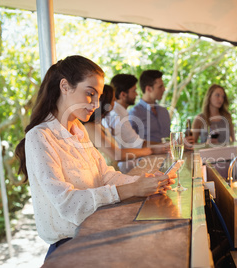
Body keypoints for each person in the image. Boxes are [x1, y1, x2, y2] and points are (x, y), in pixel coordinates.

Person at [14, 55, 175, 260]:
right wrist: (132, 188)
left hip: (96, 233)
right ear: (65, 86)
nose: (96, 104)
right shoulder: (39, 136)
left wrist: (144, 181)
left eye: (98, 96)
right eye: (90, 94)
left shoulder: (78, 130)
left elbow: (105, 175)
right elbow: (67, 203)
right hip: (69, 249)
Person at [84, 85, 158, 173]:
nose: (115, 103)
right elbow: (116, 154)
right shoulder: (90, 126)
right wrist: (149, 150)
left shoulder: (100, 125)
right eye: (113, 100)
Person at [129, 70, 171, 143]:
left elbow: (169, 139)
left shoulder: (164, 111)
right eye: (160, 87)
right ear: (148, 89)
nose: (164, 89)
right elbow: (131, 143)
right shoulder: (134, 113)